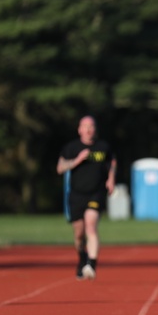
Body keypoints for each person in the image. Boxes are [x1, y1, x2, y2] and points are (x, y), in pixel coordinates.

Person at [57, 115, 116, 280]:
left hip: (96, 193)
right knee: (79, 234)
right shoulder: (72, 147)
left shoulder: (103, 147)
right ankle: (82, 258)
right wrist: (77, 160)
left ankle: (91, 263)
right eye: (85, 126)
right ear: (79, 129)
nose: (88, 129)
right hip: (76, 195)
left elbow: (111, 163)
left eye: (91, 126)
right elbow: (60, 168)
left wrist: (111, 179)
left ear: (95, 129)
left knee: (91, 225)